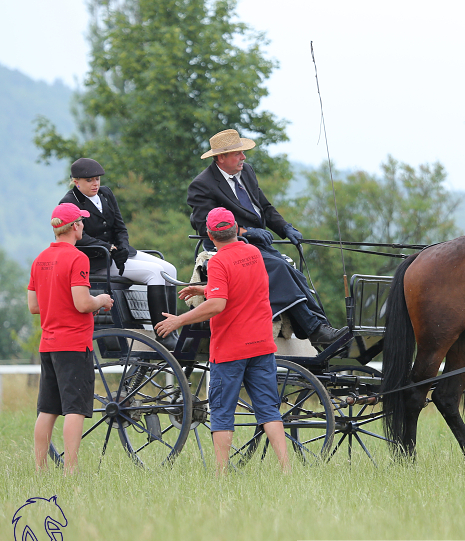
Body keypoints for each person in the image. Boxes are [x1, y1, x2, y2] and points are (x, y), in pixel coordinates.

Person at [154, 208, 290, 474]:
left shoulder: (217, 262)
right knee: (268, 409)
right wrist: (205, 287)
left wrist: (178, 320)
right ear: (236, 228)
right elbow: (242, 286)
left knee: (222, 411)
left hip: (231, 348)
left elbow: (217, 304)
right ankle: (286, 469)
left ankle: (221, 472)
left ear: (209, 235)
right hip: (261, 343)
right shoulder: (253, 253)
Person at [187, 129, 346, 346]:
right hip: (227, 246)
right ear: (221, 157)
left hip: (257, 244)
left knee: (293, 272)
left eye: (243, 153)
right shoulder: (202, 184)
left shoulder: (247, 172)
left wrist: (285, 228)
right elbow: (203, 225)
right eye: (237, 154)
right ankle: (314, 330)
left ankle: (322, 327)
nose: (243, 157)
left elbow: (264, 207)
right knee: (278, 267)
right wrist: (244, 231)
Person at [28, 203, 115, 474]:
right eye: (81, 222)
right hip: (74, 343)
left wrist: (57, 301)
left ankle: (40, 469)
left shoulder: (40, 258)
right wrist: (100, 299)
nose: (83, 226)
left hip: (49, 343)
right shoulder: (78, 258)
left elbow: (34, 305)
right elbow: (81, 303)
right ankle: (71, 469)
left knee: (48, 410)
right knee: (75, 409)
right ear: (75, 226)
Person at [59, 158, 180, 349]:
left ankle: (171, 328)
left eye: (97, 179)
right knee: (154, 273)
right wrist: (109, 248)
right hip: (100, 260)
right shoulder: (69, 202)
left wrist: (123, 246)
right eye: (89, 180)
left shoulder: (106, 194)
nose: (95, 184)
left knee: (169, 269)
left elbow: (120, 226)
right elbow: (80, 238)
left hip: (119, 254)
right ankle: (162, 335)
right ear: (76, 181)